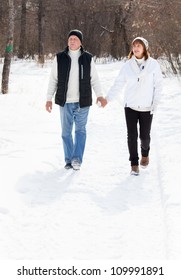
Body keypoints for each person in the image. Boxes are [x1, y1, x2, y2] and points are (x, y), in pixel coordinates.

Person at [45, 29, 105, 170]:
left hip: (82, 101)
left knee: (80, 130)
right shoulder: (59, 58)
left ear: (80, 42)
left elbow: (94, 79)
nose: (72, 41)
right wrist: (48, 99)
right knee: (66, 133)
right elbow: (53, 79)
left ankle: (77, 158)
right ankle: (68, 159)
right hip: (65, 102)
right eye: (70, 38)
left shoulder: (87, 58)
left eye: (75, 39)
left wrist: (100, 95)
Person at [105, 37, 163, 175]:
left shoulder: (154, 65)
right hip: (130, 106)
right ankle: (134, 164)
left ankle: (145, 154)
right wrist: (107, 98)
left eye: (139, 46)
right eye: (134, 46)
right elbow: (118, 84)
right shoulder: (127, 66)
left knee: (144, 137)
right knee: (131, 136)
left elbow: (158, 86)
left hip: (146, 107)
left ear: (145, 48)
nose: (136, 48)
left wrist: (155, 103)